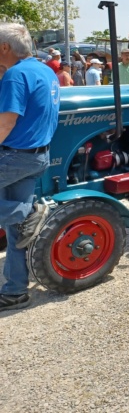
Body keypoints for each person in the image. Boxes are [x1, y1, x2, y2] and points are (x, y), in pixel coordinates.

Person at [0, 23, 59, 311]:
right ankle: (15, 291)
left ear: (4, 48)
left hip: (15, 156)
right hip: (38, 155)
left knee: (18, 220)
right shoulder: (45, 70)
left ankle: (32, 212)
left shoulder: (16, 75)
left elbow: (7, 121)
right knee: (16, 231)